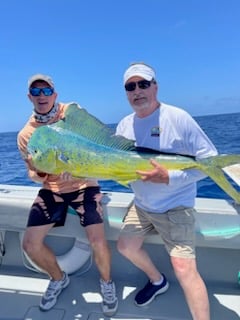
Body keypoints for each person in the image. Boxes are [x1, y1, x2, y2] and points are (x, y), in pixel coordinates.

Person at [116, 62, 218, 320]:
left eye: (143, 84)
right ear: (126, 92)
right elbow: (114, 168)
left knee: (184, 268)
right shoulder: (124, 127)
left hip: (176, 207)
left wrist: (168, 178)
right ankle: (157, 280)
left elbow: (210, 162)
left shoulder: (178, 118)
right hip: (142, 206)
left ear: (155, 87)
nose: (137, 91)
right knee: (125, 247)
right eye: (131, 86)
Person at [17, 74, 118, 316]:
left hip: (85, 185)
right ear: (30, 97)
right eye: (36, 91)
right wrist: (44, 173)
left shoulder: (70, 113)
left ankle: (107, 284)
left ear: (54, 94)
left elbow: (95, 141)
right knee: (30, 245)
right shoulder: (25, 134)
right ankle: (58, 278)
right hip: (52, 189)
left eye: (46, 91)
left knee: (97, 240)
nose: (42, 96)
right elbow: (31, 173)